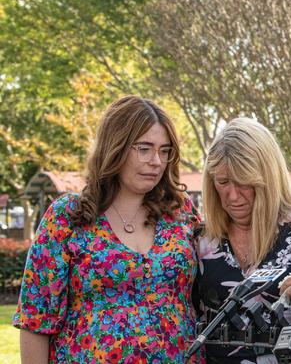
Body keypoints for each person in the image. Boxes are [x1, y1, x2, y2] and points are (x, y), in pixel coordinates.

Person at [13, 95, 201, 363]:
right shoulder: (67, 217)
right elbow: (36, 318)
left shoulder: (181, 214)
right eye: (144, 149)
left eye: (164, 150)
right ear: (116, 147)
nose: (157, 161)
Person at [194, 117, 291, 363]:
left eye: (244, 183)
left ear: (267, 178)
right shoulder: (202, 239)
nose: (232, 195)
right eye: (223, 182)